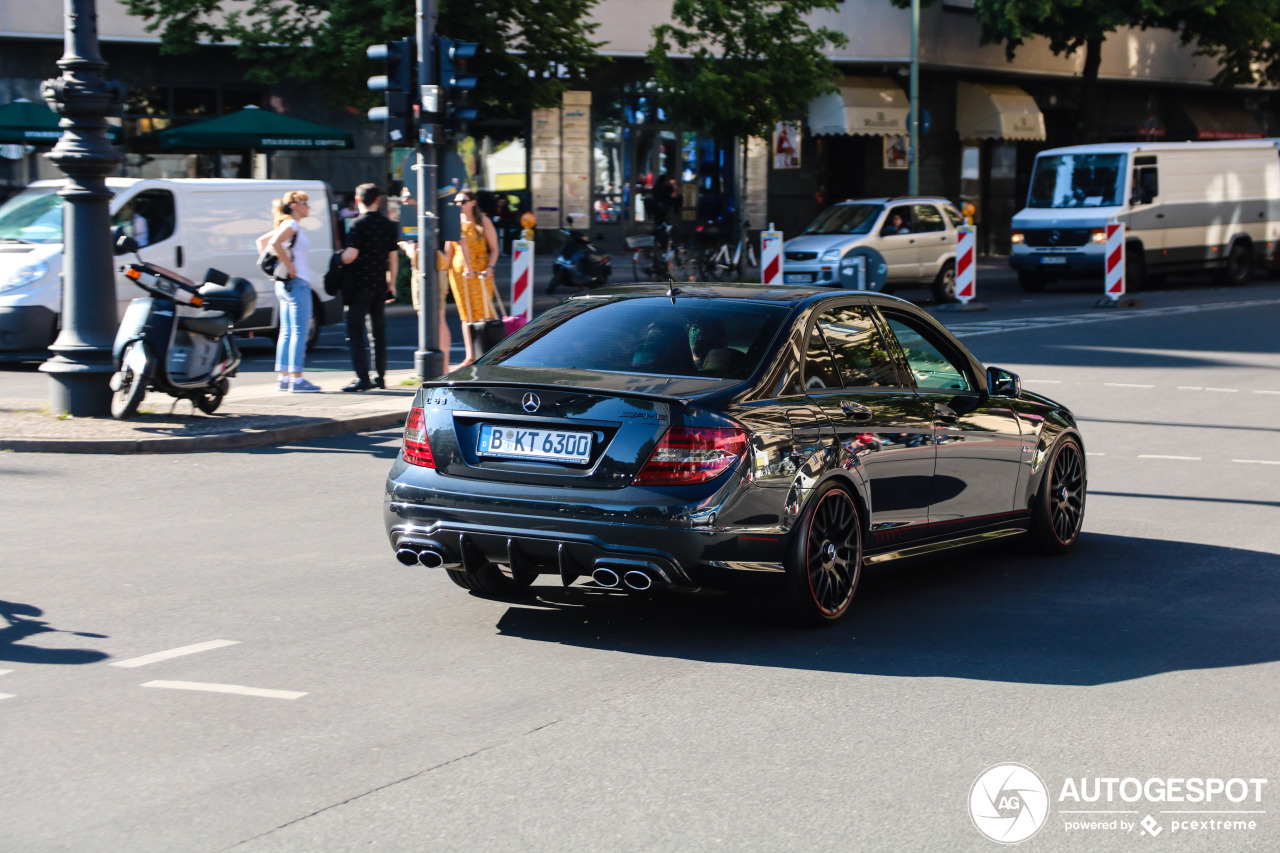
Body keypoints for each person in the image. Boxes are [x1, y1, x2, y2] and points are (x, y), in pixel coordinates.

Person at [339, 183, 399, 391]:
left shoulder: (357, 224)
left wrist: (338, 257)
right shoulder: (387, 224)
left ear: (358, 200)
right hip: (379, 285)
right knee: (378, 332)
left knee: (355, 331)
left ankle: (362, 378)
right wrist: (391, 283)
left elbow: (351, 256)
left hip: (359, 286)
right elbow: (393, 257)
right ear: (377, 200)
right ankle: (380, 377)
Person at [263, 190, 321, 393]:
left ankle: (283, 377)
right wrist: (290, 266)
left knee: (287, 331)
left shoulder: (285, 224)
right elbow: (273, 244)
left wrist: (275, 268)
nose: (308, 207)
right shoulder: (292, 224)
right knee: (299, 331)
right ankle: (297, 379)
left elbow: (262, 243)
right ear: (295, 205)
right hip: (297, 283)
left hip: (285, 283)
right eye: (305, 203)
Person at [444, 189, 500, 367]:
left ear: (473, 202)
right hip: (459, 274)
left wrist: (490, 267)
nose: (459, 205)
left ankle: (486, 354)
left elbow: (495, 249)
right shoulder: (453, 223)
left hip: (481, 273)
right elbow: (449, 253)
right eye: (457, 202)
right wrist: (443, 277)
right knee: (466, 315)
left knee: (483, 313)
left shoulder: (483, 221)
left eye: (463, 201)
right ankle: (469, 356)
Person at [398, 238, 452, 374]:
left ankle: (440, 368)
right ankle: (444, 366)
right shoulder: (439, 219)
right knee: (440, 319)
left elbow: (414, 251)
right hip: (438, 267)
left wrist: (405, 246)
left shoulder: (415, 220)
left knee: (428, 318)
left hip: (424, 269)